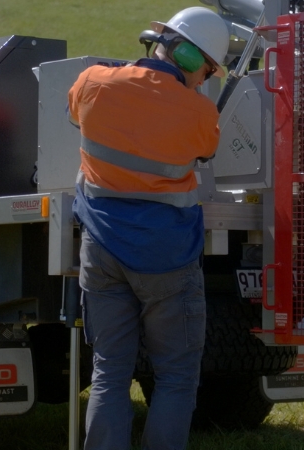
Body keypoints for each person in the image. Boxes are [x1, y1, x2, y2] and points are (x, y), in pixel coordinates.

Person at [67, 7, 229, 450]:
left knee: (109, 371)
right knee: (176, 376)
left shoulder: (92, 82)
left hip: (100, 250)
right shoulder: (199, 111)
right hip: (167, 256)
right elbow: (206, 150)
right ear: (194, 60)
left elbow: (76, 117)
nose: (206, 80)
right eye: (208, 70)